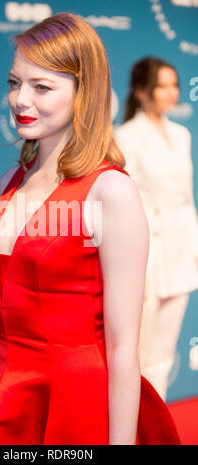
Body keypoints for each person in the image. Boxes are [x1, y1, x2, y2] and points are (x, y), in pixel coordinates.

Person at [0, 14, 181, 445]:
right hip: (4, 389)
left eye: (42, 87)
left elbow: (121, 350)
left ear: (84, 93)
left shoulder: (110, 190)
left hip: (78, 403)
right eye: (14, 82)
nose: (20, 99)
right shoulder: (8, 182)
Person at [114, 57, 198, 401]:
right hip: (145, 257)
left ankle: (155, 428)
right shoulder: (125, 136)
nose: (171, 93)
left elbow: (186, 199)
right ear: (141, 91)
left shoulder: (182, 134)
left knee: (164, 352)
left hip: (180, 254)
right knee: (139, 354)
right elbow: (124, 202)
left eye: (174, 85)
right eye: (162, 86)